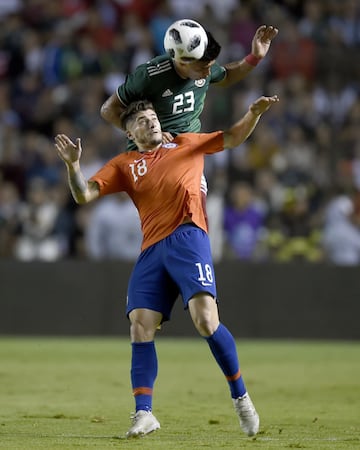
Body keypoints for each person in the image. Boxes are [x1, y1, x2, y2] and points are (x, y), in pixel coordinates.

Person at [54, 94, 279, 438]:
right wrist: (73, 166)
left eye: (153, 117)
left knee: (205, 320)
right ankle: (144, 413)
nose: (151, 121)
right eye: (141, 120)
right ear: (130, 132)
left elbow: (233, 137)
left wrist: (253, 113)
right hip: (152, 249)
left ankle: (241, 398)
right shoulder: (124, 164)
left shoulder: (187, 144)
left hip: (189, 236)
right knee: (139, 326)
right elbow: (83, 195)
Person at [100, 19, 278, 149]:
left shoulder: (202, 65)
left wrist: (255, 57)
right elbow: (109, 110)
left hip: (188, 150)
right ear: (182, 62)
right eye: (202, 69)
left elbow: (226, 76)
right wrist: (146, 135)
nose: (208, 73)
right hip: (151, 156)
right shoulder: (150, 75)